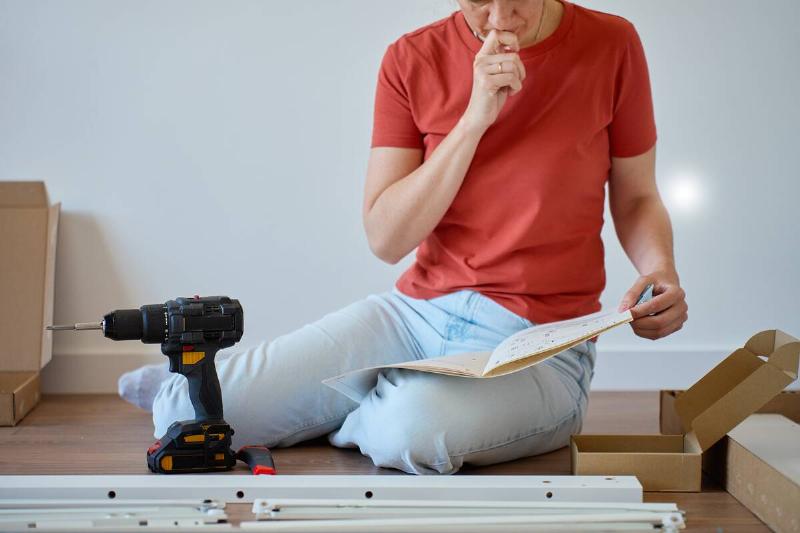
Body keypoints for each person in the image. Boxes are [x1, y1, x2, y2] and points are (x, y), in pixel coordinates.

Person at [119, 0, 688, 475]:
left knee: (410, 434)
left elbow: (636, 196)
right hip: (413, 317)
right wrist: (475, 119)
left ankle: (366, 402)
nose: (498, 17)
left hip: (541, 344)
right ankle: (368, 393)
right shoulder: (411, 58)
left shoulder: (612, 44)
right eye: (477, 1)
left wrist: (660, 270)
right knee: (187, 416)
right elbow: (386, 237)